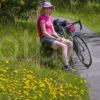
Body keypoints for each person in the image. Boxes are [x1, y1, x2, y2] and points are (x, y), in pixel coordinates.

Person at [37, 1, 73, 71]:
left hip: (52, 38)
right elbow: (44, 33)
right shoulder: (42, 19)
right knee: (64, 46)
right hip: (45, 39)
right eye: (46, 8)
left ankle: (66, 64)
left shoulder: (50, 18)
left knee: (70, 43)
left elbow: (53, 31)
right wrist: (55, 38)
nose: (48, 9)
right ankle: (66, 67)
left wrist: (58, 37)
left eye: (49, 8)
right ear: (43, 9)